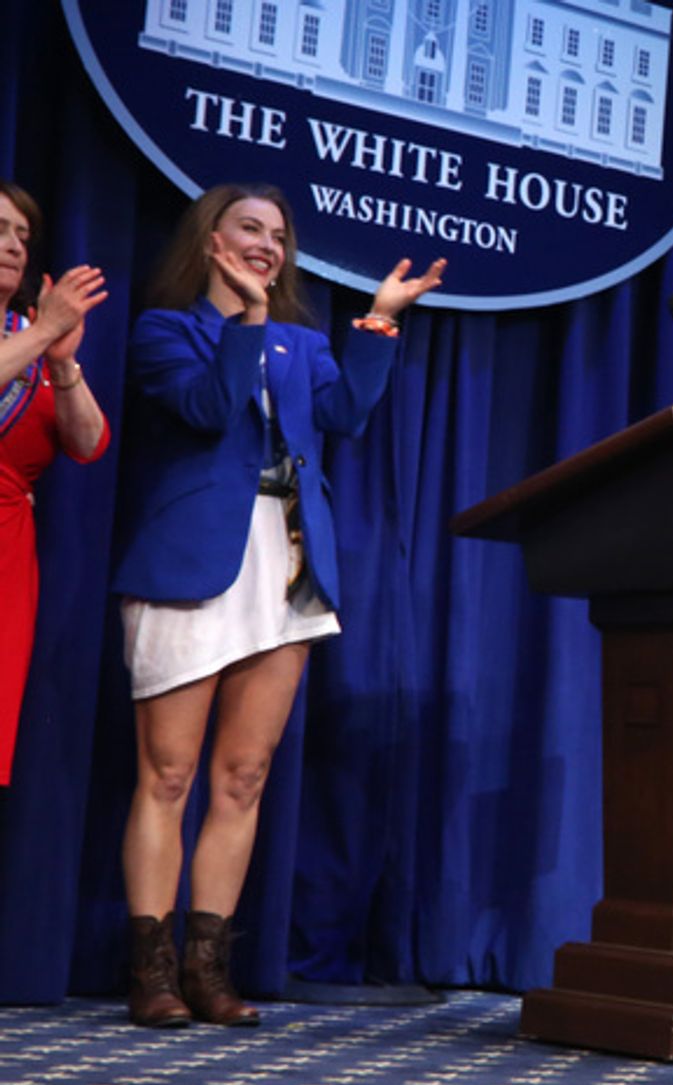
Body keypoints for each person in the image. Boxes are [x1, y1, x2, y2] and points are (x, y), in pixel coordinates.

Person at [112, 183, 445, 1028]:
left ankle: (208, 969)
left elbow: (347, 415)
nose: (267, 244)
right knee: (170, 774)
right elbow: (206, 406)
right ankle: (150, 974)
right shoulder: (166, 329)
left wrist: (376, 322)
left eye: (278, 235)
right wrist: (246, 324)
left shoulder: (302, 344)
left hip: (288, 565)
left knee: (244, 776)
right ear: (210, 240)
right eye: (249, 229)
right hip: (192, 559)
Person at [0, 180, 109, 790]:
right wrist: (45, 335)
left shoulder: (31, 335)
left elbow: (89, 442)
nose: (14, 245)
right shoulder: (31, 336)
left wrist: (63, 362)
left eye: (22, 234)